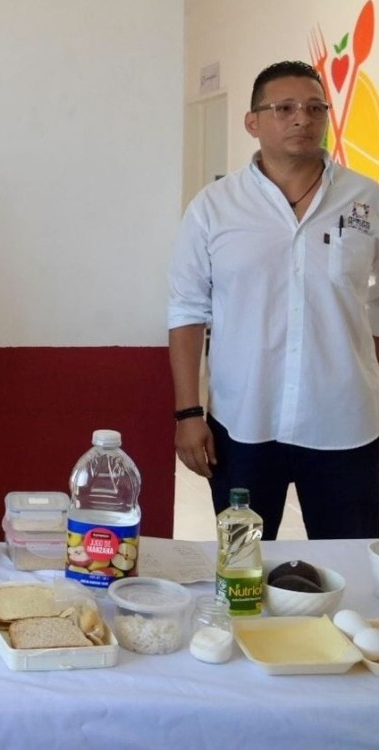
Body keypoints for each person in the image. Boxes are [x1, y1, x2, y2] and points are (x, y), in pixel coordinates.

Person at [168, 60, 379, 540]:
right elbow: (186, 310)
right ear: (253, 122)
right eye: (284, 108)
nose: (302, 119)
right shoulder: (214, 207)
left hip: (344, 422)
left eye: (314, 108)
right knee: (241, 565)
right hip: (243, 425)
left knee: (351, 567)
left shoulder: (367, 201)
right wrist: (187, 415)